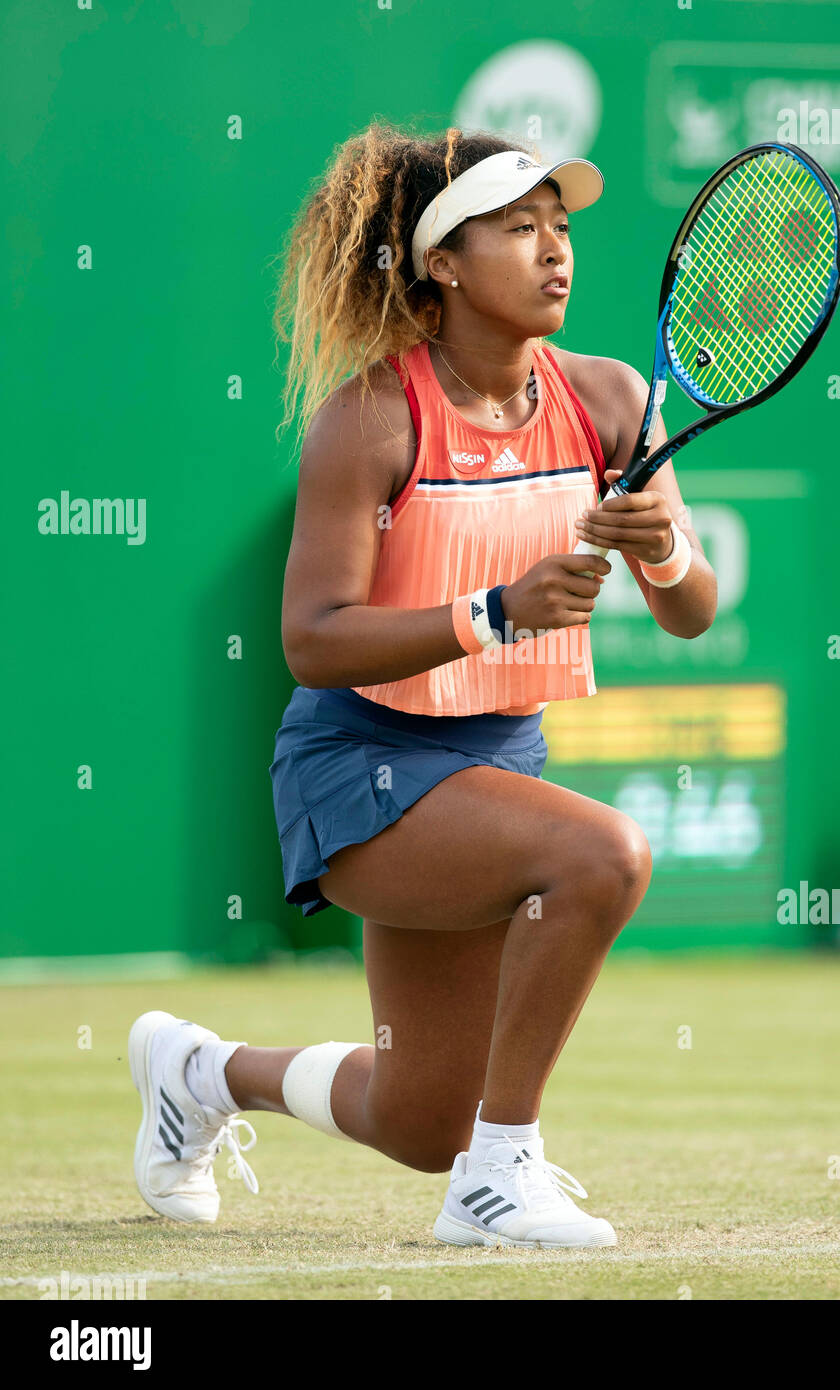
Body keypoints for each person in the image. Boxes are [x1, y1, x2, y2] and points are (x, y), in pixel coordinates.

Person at [129, 123, 717, 1249]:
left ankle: (196, 1074)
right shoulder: (371, 418)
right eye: (519, 227)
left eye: (560, 226)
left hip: (496, 762)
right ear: (441, 260)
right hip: (360, 764)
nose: (555, 250)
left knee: (420, 1119)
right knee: (602, 853)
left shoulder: (611, 401)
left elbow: (691, 611)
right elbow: (311, 640)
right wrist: (494, 609)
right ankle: (499, 1177)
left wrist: (662, 548)